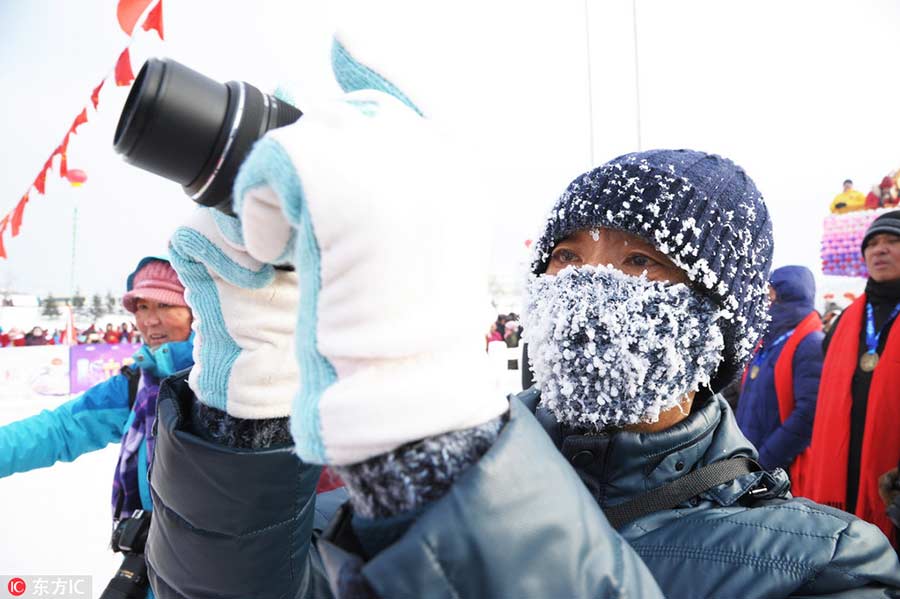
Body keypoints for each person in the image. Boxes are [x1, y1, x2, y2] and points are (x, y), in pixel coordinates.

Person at [145, 143, 900, 597]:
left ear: (720, 324)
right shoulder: (397, 504)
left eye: (641, 261)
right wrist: (248, 412)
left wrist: (455, 465)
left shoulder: (821, 563)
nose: (588, 287)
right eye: (565, 257)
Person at [0, 257, 194, 597]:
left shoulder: (228, 381)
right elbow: (60, 429)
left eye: (166, 305)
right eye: (142, 306)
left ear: (196, 308)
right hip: (155, 560)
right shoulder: (140, 384)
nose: (150, 320)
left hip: (222, 569)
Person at [805, 210, 900, 548]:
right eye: (872, 244)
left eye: (892, 241)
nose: (879, 250)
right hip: (843, 468)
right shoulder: (847, 319)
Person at [734, 265, 823, 495]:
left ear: (790, 294)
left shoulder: (810, 343)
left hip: (777, 471)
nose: (764, 300)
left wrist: (764, 460)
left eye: (770, 293)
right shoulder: (768, 344)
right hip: (748, 463)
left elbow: (808, 414)